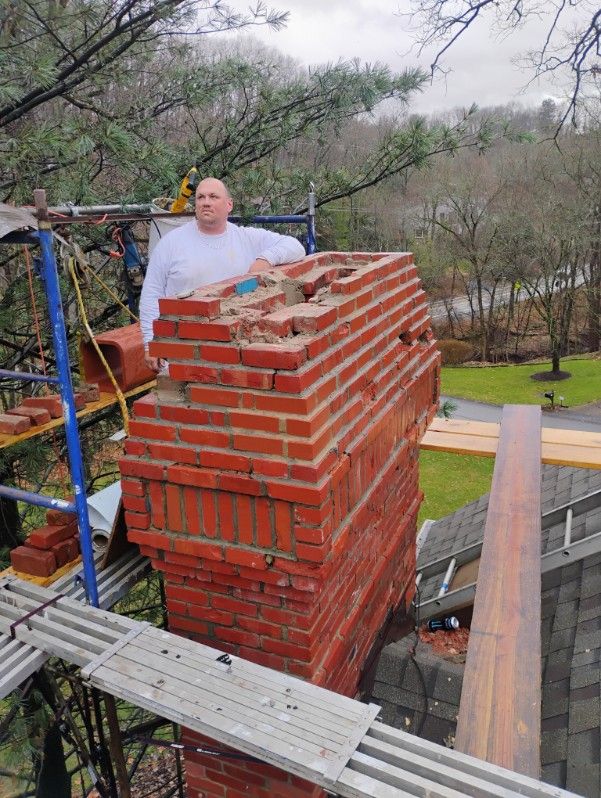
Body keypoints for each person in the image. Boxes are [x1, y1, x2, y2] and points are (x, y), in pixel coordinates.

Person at [140, 177, 306, 372]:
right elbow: (152, 293)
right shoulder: (171, 243)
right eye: (200, 197)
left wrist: (265, 259)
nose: (206, 202)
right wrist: (150, 341)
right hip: (182, 351)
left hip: (232, 351)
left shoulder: (246, 238)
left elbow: (295, 246)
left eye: (213, 196)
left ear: (229, 204)